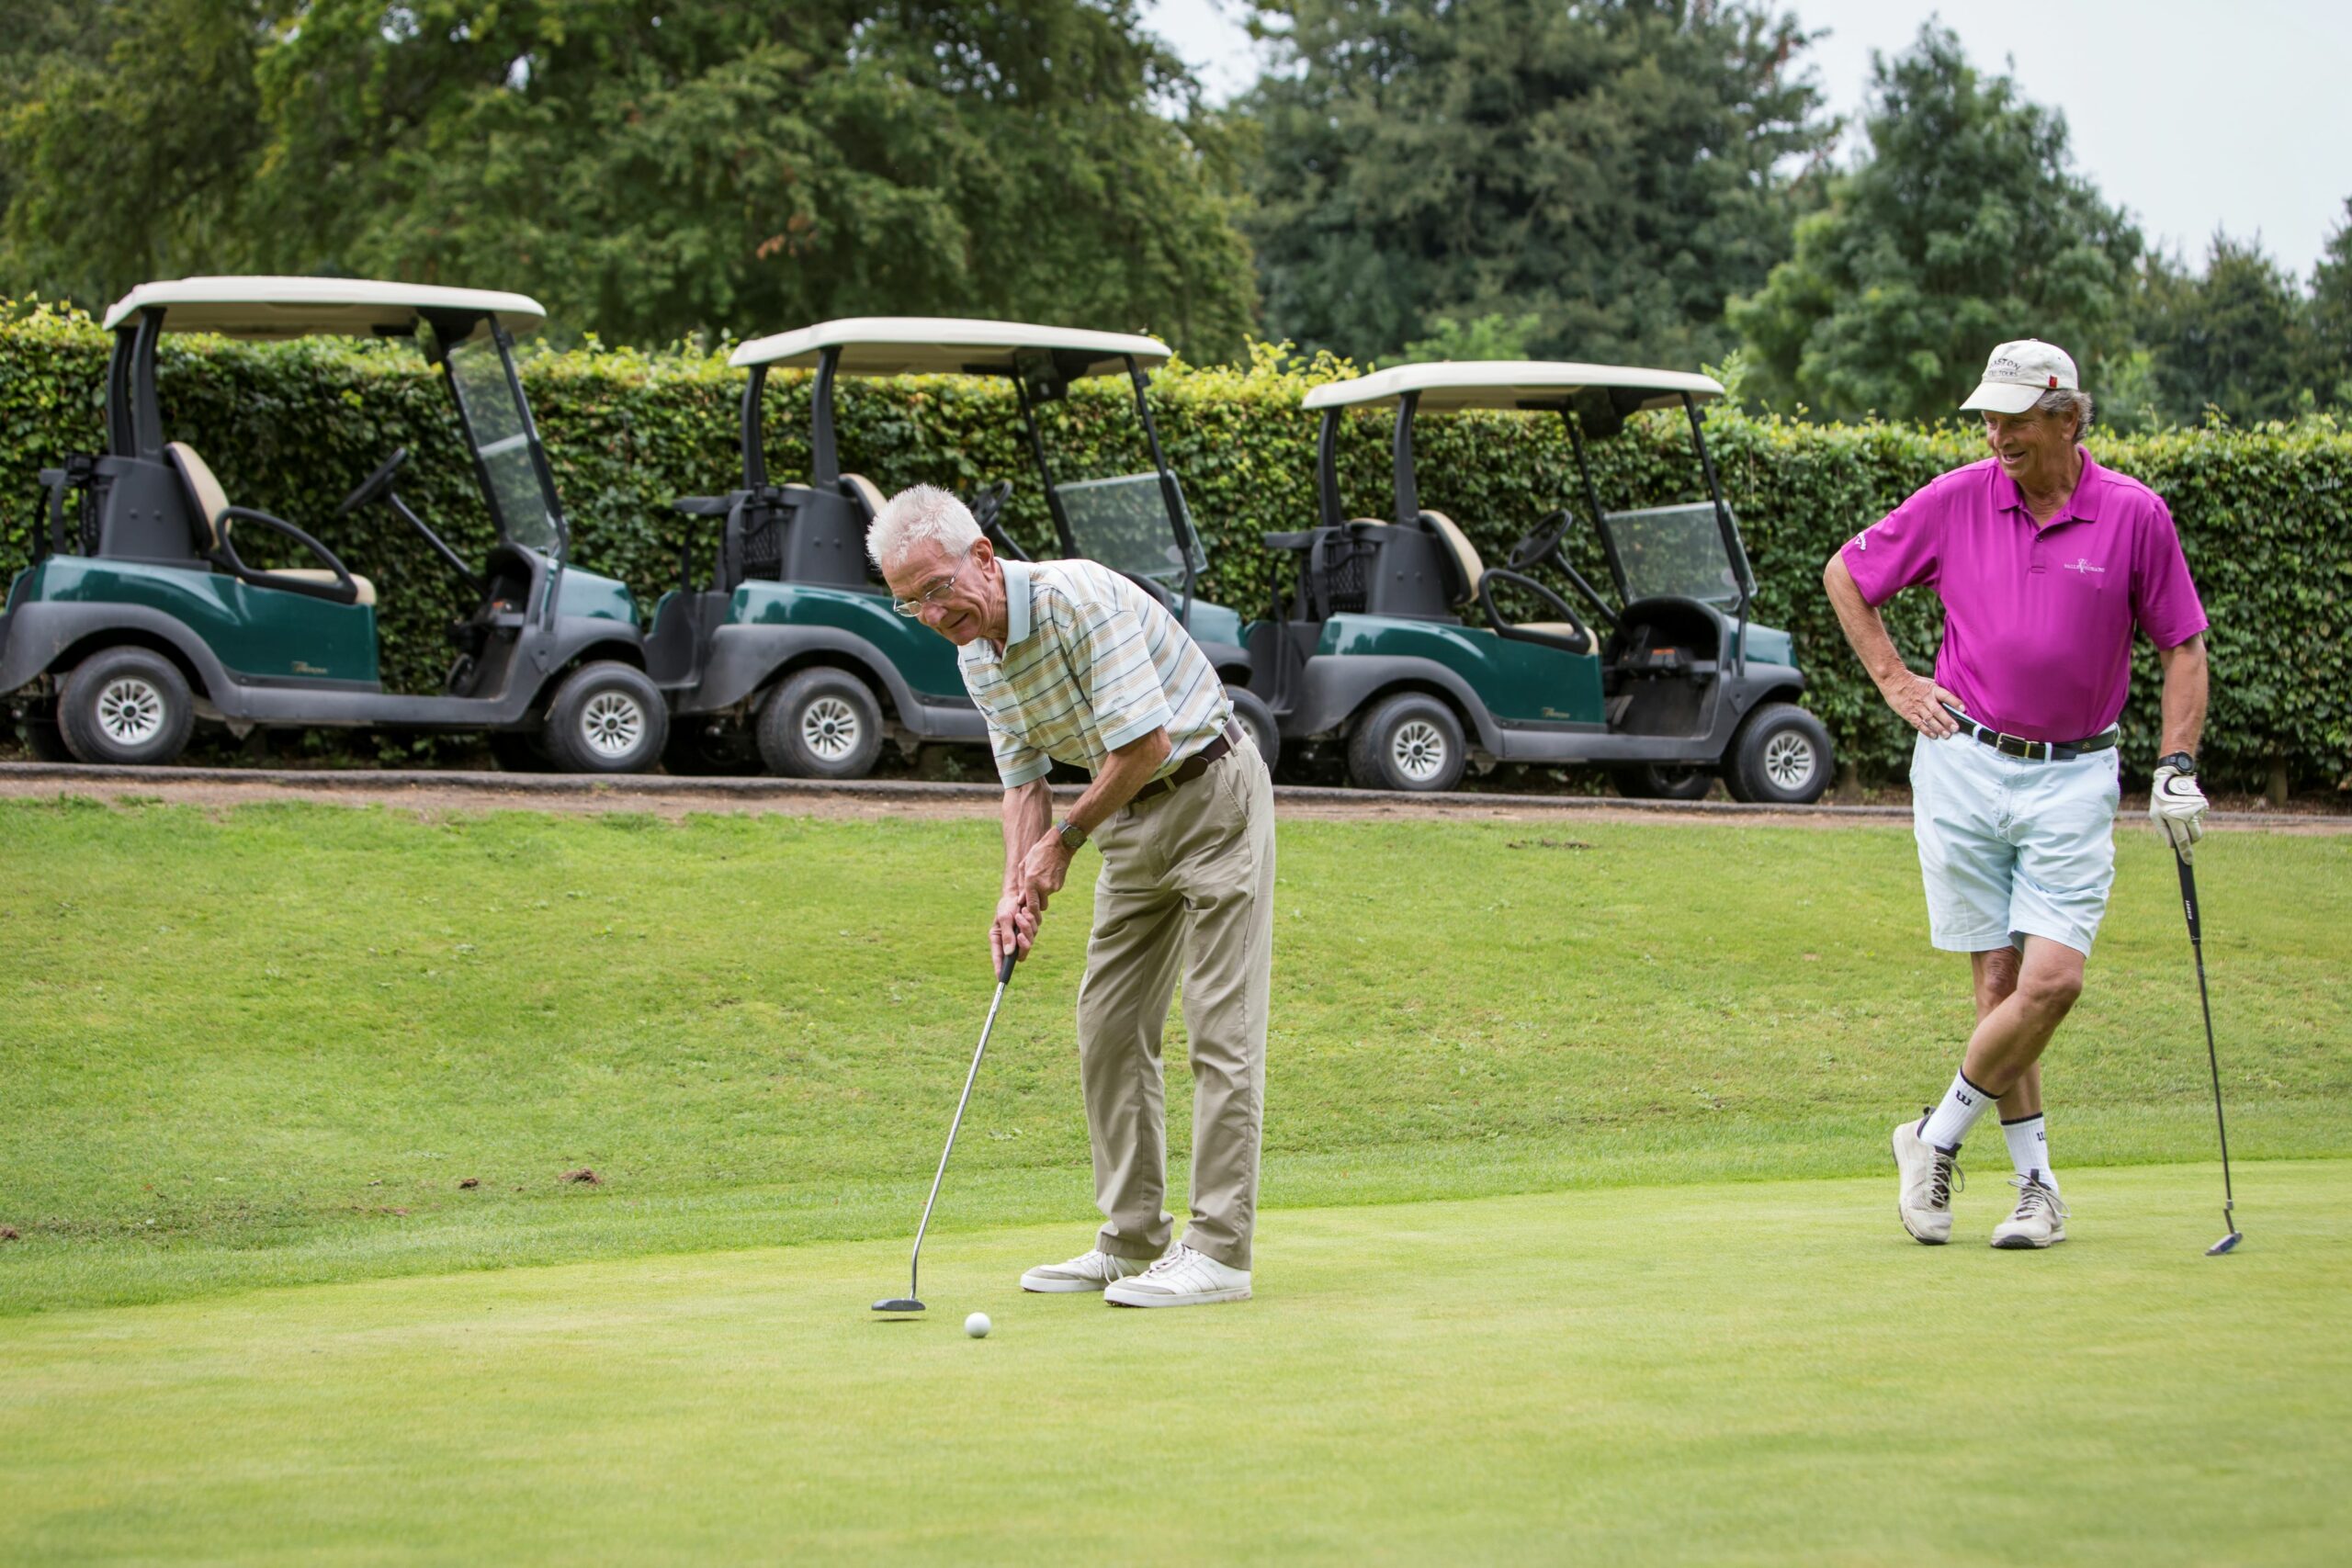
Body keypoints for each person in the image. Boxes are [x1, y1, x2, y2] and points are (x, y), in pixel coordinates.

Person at [1823, 339, 2211, 1249]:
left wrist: (2176, 762)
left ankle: (1933, 1136)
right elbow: (1848, 574)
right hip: (1964, 761)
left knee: (2051, 982)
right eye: (1988, 417)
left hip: (2074, 773)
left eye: (2014, 417)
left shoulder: (2134, 516)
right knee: (1997, 982)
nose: (1995, 432)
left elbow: (2180, 645)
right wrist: (1893, 681)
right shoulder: (1960, 498)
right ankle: (2035, 1188)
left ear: (2068, 419)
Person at [868, 484, 1276, 1306]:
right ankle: (1131, 1241)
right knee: (1108, 1024)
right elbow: (1024, 786)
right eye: (910, 603)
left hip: (1211, 793)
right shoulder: (976, 652)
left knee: (1218, 1024)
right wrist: (1014, 888)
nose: (932, 613)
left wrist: (1064, 842)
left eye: (937, 589)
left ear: (982, 556)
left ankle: (1222, 1251)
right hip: (1127, 816)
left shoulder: (1077, 600)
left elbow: (1147, 742)